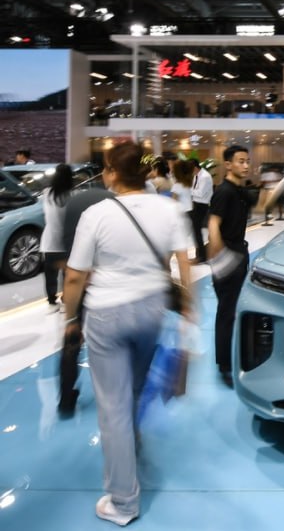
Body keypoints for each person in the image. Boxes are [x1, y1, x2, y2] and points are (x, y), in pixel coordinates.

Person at [61, 140, 192, 526]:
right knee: (133, 389)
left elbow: (75, 276)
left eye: (106, 167)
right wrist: (189, 308)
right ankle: (131, 443)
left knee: (112, 407)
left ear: (113, 173)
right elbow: (183, 261)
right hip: (151, 311)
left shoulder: (97, 213)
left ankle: (123, 502)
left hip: (107, 315)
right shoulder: (168, 208)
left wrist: (70, 319)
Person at [58, 172, 115, 417]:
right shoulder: (113, 203)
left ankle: (66, 397)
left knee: (72, 338)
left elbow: (63, 243)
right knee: (110, 340)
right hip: (103, 280)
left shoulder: (72, 203)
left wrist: (70, 316)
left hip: (75, 275)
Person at [208, 145, 252, 387]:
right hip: (229, 255)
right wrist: (221, 257)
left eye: (247, 161)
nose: (245, 165)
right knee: (226, 312)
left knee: (233, 310)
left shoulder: (238, 190)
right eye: (240, 161)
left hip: (239, 254)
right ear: (227, 164)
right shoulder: (224, 192)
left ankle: (231, 358)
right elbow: (213, 224)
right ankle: (224, 365)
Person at [40, 163, 74, 310]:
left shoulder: (47, 193)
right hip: (67, 242)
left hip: (50, 241)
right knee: (67, 274)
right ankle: (66, 300)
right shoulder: (73, 195)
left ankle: (52, 302)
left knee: (50, 274)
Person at [171, 159, 198, 255]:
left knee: (179, 239)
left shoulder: (177, 186)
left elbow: (174, 202)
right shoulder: (189, 184)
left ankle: (182, 257)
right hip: (190, 212)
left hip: (181, 214)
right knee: (185, 238)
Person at [189, 157, 214, 263]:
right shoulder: (197, 175)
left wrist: (187, 189)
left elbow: (199, 193)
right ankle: (199, 255)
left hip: (202, 206)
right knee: (196, 231)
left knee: (197, 232)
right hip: (196, 205)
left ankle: (201, 256)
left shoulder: (205, 177)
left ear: (195, 167)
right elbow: (194, 191)